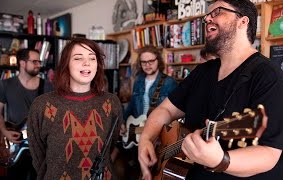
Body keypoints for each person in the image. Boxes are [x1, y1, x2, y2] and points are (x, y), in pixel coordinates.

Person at [138, 0, 283, 179]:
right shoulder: (202, 72)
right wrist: (146, 139)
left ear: (243, 21)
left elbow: (269, 153)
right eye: (206, 16)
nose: (207, 19)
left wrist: (221, 160)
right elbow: (165, 109)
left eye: (217, 12)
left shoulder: (269, 77)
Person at [27, 38, 123, 179]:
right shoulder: (42, 105)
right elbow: (38, 157)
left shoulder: (111, 102)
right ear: (66, 64)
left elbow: (111, 145)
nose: (87, 63)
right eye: (78, 58)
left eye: (92, 58)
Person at [115, 45, 178, 179]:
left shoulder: (169, 83)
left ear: (158, 61)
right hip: (136, 131)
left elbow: (175, 112)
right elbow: (132, 105)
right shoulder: (138, 81)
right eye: (144, 62)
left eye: (151, 61)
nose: (147, 65)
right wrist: (123, 122)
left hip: (157, 135)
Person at [0, 48, 52, 179]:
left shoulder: (47, 86)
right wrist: (4, 131)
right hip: (15, 145)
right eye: (34, 62)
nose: (39, 65)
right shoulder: (6, 85)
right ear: (22, 63)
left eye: (39, 62)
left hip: (40, 148)